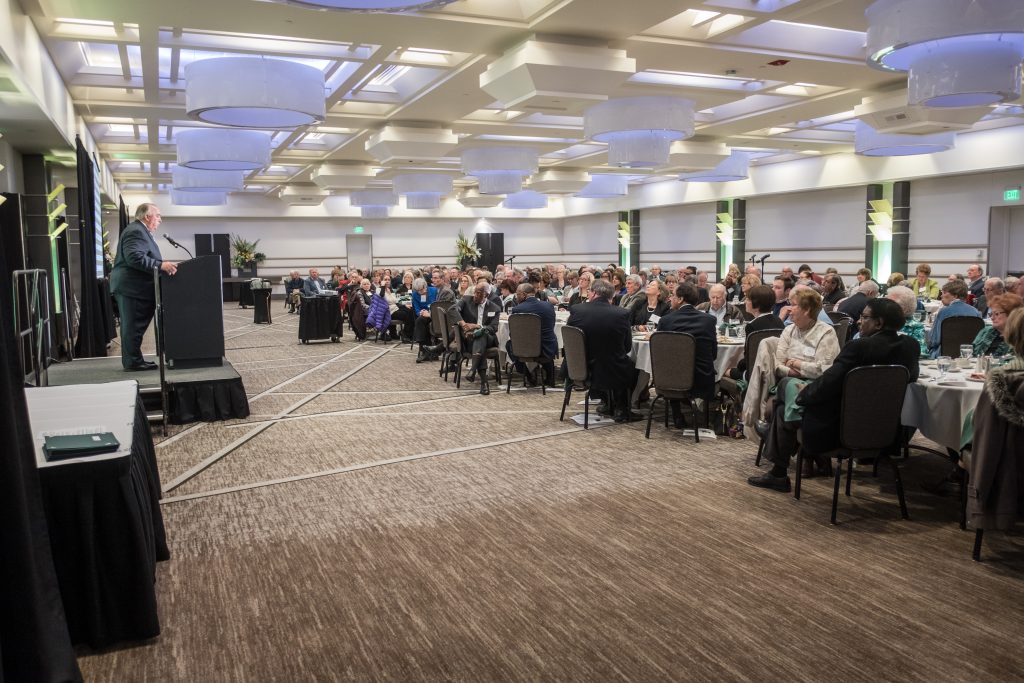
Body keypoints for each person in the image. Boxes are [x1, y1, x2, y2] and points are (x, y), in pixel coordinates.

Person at [748, 298, 920, 491]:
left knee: (784, 397)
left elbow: (830, 383)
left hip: (841, 430)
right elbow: (912, 378)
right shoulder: (911, 346)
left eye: (864, 317)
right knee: (786, 399)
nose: (858, 321)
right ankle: (780, 444)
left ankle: (778, 470)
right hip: (888, 430)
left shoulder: (859, 347)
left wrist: (803, 396)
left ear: (879, 323)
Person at [110, 202, 177, 370]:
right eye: (158, 215)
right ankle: (133, 362)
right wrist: (161, 265)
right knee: (132, 327)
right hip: (132, 288)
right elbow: (134, 258)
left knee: (133, 327)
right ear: (147, 216)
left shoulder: (140, 231)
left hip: (134, 288)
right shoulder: (136, 231)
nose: (160, 219)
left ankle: (134, 360)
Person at [566, 279, 639, 422]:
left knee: (608, 362)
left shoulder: (577, 309)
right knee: (633, 367)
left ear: (593, 293)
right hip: (612, 368)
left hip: (580, 367)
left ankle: (606, 401)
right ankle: (621, 409)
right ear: (611, 296)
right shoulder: (622, 314)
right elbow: (627, 346)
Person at [657, 282, 718, 427]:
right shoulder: (709, 320)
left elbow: (660, 355)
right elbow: (713, 354)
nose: (670, 299)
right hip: (701, 378)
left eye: (672, 296)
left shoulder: (666, 321)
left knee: (672, 365)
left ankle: (677, 414)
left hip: (671, 379)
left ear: (680, 299)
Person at [773, 288, 840, 382]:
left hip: (816, 385)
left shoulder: (826, 332)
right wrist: (796, 373)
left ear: (807, 310)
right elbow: (778, 366)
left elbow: (824, 369)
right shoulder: (788, 330)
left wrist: (794, 363)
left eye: (793, 305)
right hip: (787, 381)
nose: (789, 309)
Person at [723, 285, 785, 384]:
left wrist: (738, 366)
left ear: (756, 304)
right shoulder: (779, 321)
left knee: (725, 369)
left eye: (747, 299)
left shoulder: (752, 326)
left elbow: (749, 358)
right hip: (775, 370)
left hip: (755, 373)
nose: (745, 302)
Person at [452, 282, 502, 395]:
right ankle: (484, 383)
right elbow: (453, 310)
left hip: (488, 338)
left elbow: (493, 328)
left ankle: (473, 370)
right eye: (475, 291)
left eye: (479, 293)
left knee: (482, 334)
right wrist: (464, 324)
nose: (475, 295)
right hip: (470, 339)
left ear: (486, 295)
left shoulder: (495, 308)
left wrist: (477, 326)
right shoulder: (466, 300)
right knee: (480, 348)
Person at [507, 283, 558, 385]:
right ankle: (550, 377)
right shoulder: (548, 306)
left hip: (525, 349)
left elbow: (514, 334)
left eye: (517, 294)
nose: (516, 297)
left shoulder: (518, 309)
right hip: (547, 348)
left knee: (509, 344)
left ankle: (528, 374)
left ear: (524, 295)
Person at [928, 279, 982, 358]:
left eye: (945, 293)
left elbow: (934, 341)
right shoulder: (975, 312)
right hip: (968, 355)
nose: (941, 296)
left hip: (944, 355)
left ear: (955, 296)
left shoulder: (944, 312)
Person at [886, 285, 928, 358]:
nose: (884, 306)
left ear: (903, 308)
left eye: (889, 303)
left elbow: (921, 353)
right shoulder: (880, 322)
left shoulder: (915, 326)